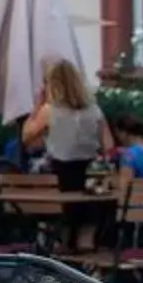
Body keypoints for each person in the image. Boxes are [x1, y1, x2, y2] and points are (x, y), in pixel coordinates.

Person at [22, 59, 110, 191]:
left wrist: (36, 108)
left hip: (59, 176)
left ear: (53, 84)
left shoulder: (49, 110)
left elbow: (26, 137)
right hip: (87, 177)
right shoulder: (95, 110)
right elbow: (108, 145)